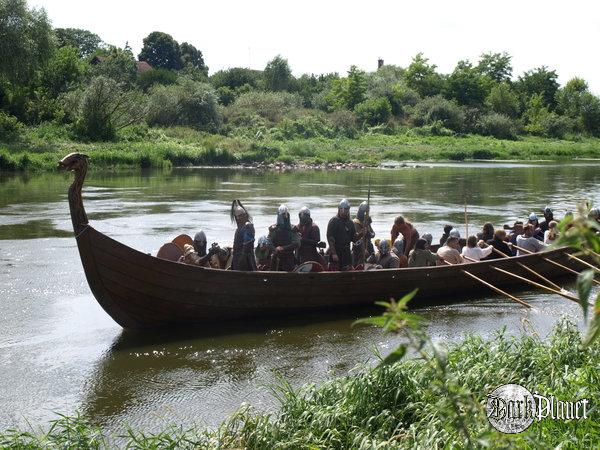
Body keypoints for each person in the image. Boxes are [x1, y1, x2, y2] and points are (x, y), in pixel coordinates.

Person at [326, 199, 358, 271]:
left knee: (346, 271)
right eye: (341, 209)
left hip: (346, 252)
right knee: (335, 271)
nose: (343, 211)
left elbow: (354, 239)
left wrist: (362, 233)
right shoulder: (334, 221)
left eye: (345, 209)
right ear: (339, 209)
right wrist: (334, 253)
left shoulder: (350, 223)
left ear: (348, 210)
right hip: (337, 251)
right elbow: (330, 238)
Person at [268, 204, 300, 271]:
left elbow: (297, 243)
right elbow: (269, 242)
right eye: (282, 216)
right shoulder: (273, 229)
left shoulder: (293, 229)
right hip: (276, 258)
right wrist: (275, 249)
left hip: (289, 258)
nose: (284, 218)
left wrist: (284, 248)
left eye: (285, 216)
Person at [230, 199, 256, 271]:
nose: (238, 219)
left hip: (245, 260)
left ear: (244, 216)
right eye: (238, 217)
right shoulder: (241, 227)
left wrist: (242, 259)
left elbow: (248, 243)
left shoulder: (247, 226)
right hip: (238, 257)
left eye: (240, 216)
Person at [352, 201, 375, 265]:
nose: (366, 214)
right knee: (359, 264)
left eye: (367, 212)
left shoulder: (366, 221)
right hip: (359, 248)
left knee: (372, 263)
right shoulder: (356, 222)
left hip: (369, 246)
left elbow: (372, 234)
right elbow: (358, 238)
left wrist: (368, 224)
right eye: (365, 212)